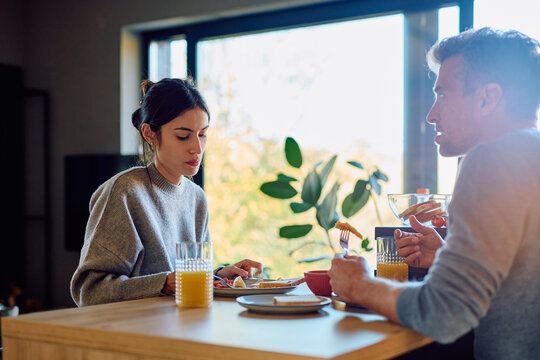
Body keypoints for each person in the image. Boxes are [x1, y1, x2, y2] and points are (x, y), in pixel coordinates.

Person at [329, 27, 540, 359]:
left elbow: (445, 314)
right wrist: (445, 256)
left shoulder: (492, 160)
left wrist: (360, 285)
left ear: (487, 98)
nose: (431, 115)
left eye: (442, 94)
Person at [71, 78, 261, 306]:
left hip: (185, 326)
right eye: (183, 136)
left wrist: (218, 276)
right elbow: (89, 291)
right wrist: (163, 283)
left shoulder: (196, 197)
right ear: (150, 134)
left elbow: (184, 280)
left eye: (202, 134)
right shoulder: (126, 192)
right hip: (138, 334)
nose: (197, 148)